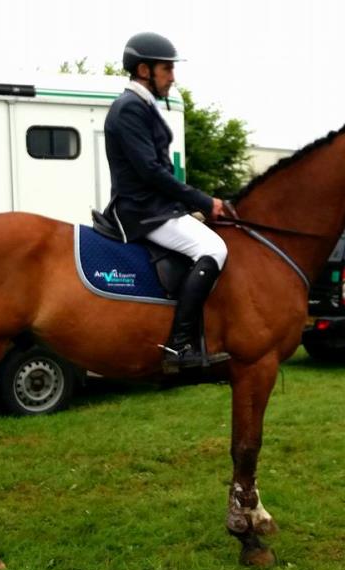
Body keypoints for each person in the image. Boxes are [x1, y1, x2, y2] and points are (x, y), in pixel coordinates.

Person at [102, 32, 230, 371]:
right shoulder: (130, 109)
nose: (172, 77)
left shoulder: (140, 106)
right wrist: (202, 199)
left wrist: (187, 206)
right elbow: (150, 171)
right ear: (144, 70)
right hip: (143, 213)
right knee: (214, 249)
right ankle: (179, 346)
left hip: (155, 208)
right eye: (167, 69)